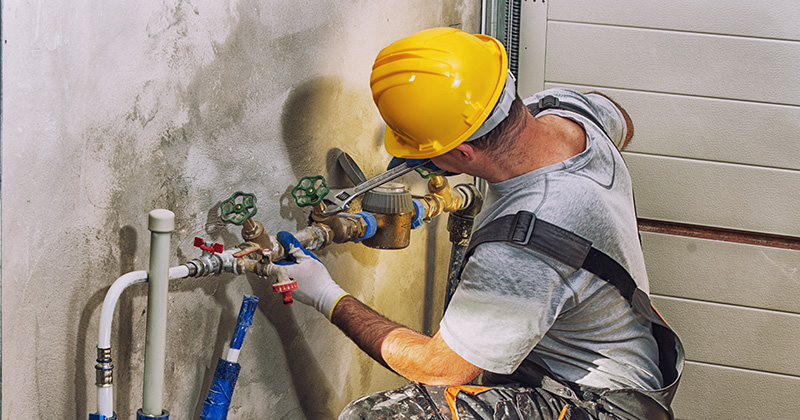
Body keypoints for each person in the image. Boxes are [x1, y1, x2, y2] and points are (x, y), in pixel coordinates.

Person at [277, 27, 683, 420]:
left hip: (601, 406)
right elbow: (621, 119)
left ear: (466, 153)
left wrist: (326, 294)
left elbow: (440, 369)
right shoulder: (566, 110)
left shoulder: (521, 248)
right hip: (614, 364)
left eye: (427, 153)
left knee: (373, 417)